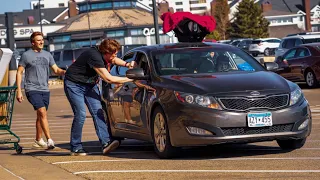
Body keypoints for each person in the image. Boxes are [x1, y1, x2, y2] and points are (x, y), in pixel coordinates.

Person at [64, 38, 136, 156]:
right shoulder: (94, 56)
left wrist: (127, 64)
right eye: (113, 54)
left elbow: (114, 60)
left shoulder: (106, 55)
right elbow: (109, 78)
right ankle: (75, 146)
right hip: (74, 84)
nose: (115, 57)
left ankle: (106, 143)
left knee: (98, 112)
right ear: (105, 52)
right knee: (81, 114)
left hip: (90, 85)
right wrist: (130, 79)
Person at [16, 32, 66, 149]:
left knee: (40, 115)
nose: (41, 42)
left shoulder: (47, 55)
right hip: (31, 89)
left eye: (42, 40)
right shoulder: (26, 55)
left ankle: (38, 139)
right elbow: (19, 72)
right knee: (42, 112)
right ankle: (49, 140)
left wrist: (64, 72)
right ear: (33, 42)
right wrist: (19, 90)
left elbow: (56, 70)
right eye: (38, 40)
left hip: (45, 89)